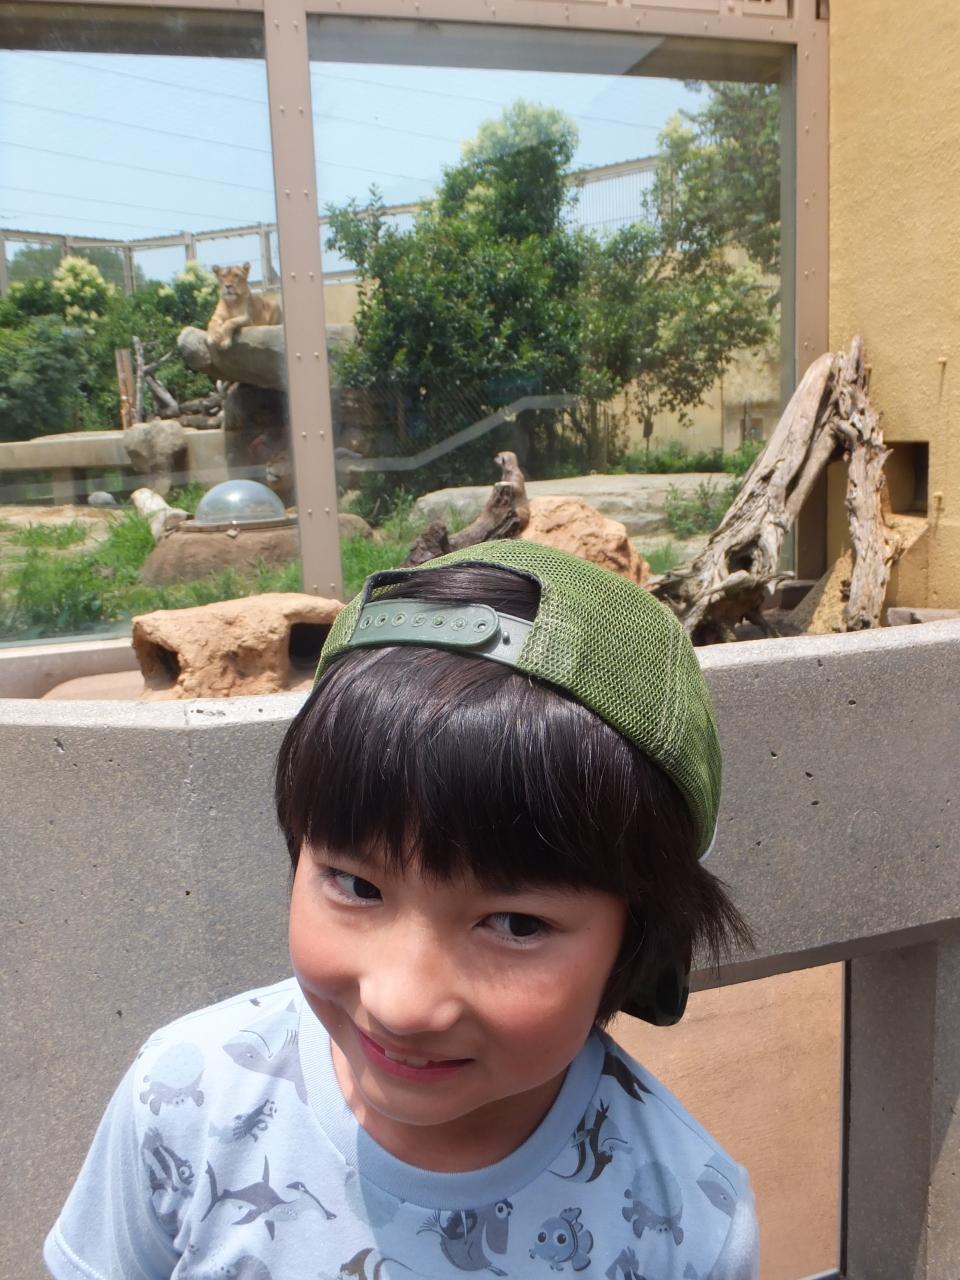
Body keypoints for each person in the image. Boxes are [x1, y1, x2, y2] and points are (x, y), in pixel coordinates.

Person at [45, 540, 759, 1280]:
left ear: (638, 939)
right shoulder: (183, 1099)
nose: (403, 1005)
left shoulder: (687, 1225)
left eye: (516, 924)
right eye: (357, 887)